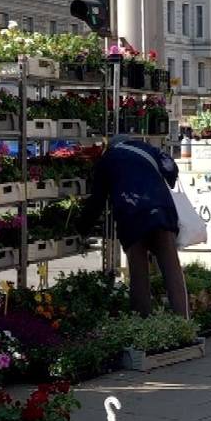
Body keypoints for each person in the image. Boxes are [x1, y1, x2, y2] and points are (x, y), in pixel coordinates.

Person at [76, 136, 189, 317]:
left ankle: (142, 324)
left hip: (132, 214)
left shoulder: (108, 160)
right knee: (171, 269)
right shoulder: (149, 150)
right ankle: (184, 324)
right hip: (161, 211)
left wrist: (82, 229)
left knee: (138, 273)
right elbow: (170, 168)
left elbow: (96, 202)